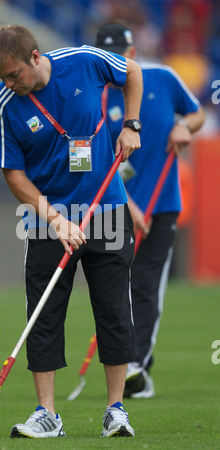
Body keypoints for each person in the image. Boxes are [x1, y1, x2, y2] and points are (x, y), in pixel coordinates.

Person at [0, 24, 143, 438]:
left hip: (106, 207)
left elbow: (133, 72)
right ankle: (47, 414)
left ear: (34, 57)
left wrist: (131, 125)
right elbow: (14, 176)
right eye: (2, 77)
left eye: (14, 73)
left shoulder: (84, 61)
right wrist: (55, 219)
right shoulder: (2, 104)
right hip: (45, 218)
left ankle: (115, 410)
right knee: (44, 314)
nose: (9, 83)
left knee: (112, 310)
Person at [95, 22, 205, 398]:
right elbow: (98, 162)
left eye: (121, 55)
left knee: (146, 284)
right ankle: (125, 364)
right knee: (115, 288)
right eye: (108, 56)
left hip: (163, 204)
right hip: (116, 205)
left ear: (132, 53)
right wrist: (130, 204)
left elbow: (197, 114)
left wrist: (185, 128)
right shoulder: (95, 95)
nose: (116, 62)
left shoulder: (163, 78)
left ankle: (138, 367)